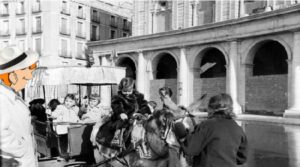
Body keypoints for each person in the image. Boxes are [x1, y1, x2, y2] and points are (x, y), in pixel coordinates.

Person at [176, 93, 248, 167]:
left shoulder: (206, 125)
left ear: (211, 109)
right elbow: (241, 159)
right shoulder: (238, 129)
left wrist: (181, 132)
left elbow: (189, 149)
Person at [0, 46, 39, 167]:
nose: (29, 77)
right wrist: (22, 148)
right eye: (27, 73)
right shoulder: (2, 98)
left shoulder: (11, 94)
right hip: (16, 161)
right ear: (13, 75)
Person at [96, 77, 152, 148]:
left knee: (147, 125)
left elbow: (143, 105)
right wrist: (121, 113)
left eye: (129, 91)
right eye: (124, 91)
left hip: (137, 117)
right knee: (122, 125)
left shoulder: (139, 96)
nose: (127, 93)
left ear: (133, 89)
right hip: (123, 118)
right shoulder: (117, 97)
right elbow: (116, 106)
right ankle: (117, 140)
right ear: (121, 89)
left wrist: (145, 112)